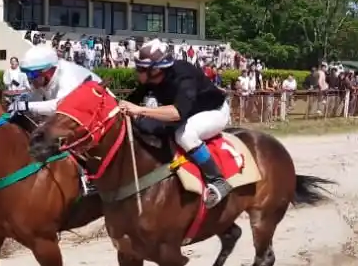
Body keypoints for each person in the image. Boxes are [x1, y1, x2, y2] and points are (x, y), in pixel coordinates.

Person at [118, 38, 234, 208]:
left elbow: (177, 113)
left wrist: (140, 110)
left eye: (140, 68)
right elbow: (132, 100)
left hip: (214, 112)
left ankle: (217, 180)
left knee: (184, 135)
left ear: (155, 70)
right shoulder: (151, 79)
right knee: (143, 126)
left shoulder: (184, 76)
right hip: (188, 113)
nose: (137, 71)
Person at [12, 43, 103, 195]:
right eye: (27, 75)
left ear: (47, 72)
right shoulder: (45, 78)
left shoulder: (67, 76)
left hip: (97, 111)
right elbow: (35, 100)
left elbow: (60, 107)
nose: (29, 79)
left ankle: (91, 178)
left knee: (68, 137)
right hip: (77, 112)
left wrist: (26, 105)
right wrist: (20, 103)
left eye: (32, 75)